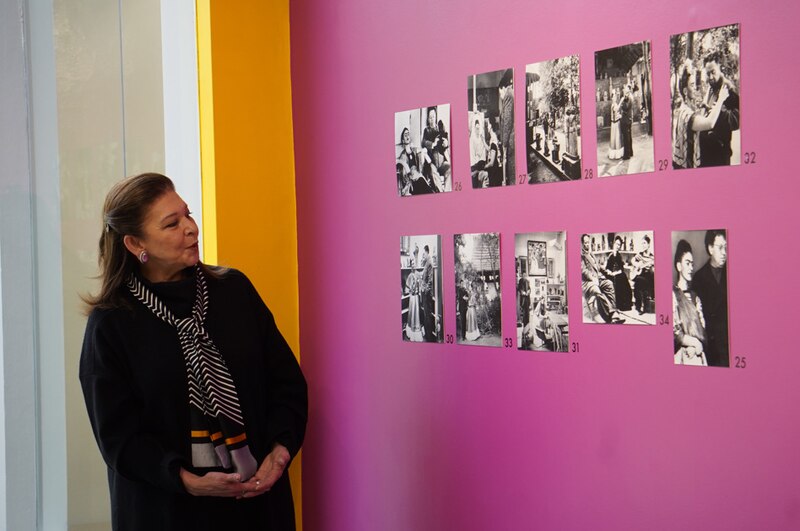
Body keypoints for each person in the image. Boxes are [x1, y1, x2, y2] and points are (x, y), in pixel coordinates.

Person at [79, 173, 308, 530]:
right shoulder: (111, 323)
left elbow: (286, 384)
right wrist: (185, 479)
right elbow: (118, 438)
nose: (191, 228)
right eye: (172, 224)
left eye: (188, 214)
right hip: (165, 512)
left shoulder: (235, 291)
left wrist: (280, 453)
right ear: (135, 242)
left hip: (257, 506)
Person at [672, 60, 731, 169]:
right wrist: (721, 99)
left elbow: (699, 120)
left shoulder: (682, 109)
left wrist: (706, 104)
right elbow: (709, 123)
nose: (695, 88)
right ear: (685, 91)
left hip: (679, 163)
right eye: (692, 85)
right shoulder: (687, 114)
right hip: (686, 167)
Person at [691, 230, 729, 367]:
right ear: (710, 248)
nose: (724, 252)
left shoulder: (733, 272)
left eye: (726, 247)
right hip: (711, 346)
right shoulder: (699, 278)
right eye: (720, 248)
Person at [699, 52, 740, 167]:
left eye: (713, 72)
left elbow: (740, 117)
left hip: (720, 153)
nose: (711, 77)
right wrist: (707, 108)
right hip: (707, 150)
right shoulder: (711, 87)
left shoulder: (728, 89)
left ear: (720, 68)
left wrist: (722, 112)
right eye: (708, 74)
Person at [672, 239, 708, 366]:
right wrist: (694, 343)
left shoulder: (695, 297)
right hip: (680, 356)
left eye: (692, 264)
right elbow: (675, 333)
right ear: (679, 266)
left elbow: (702, 328)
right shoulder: (673, 295)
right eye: (687, 263)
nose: (691, 268)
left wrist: (697, 346)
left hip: (698, 355)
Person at [581, 234, 625, 324]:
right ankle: (609, 316)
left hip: (597, 279)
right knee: (597, 290)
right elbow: (583, 271)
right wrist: (593, 278)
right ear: (582, 244)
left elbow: (598, 266)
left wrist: (606, 271)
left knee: (609, 283)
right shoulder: (581, 255)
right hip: (587, 282)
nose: (587, 244)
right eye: (585, 243)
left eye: (588, 242)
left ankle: (613, 312)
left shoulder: (592, 254)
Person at [397, 127, 434, 195]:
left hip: (419, 176)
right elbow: (404, 174)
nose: (407, 136)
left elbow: (422, 155)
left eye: (408, 134)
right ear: (403, 140)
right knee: (422, 184)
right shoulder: (403, 155)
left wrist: (423, 151)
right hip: (412, 181)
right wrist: (411, 178)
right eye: (405, 135)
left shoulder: (414, 150)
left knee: (423, 183)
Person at [605, 236, 633, 311]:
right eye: (617, 244)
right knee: (619, 280)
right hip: (612, 275)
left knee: (624, 281)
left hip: (618, 274)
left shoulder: (619, 255)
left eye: (619, 245)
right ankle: (619, 304)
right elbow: (607, 268)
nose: (617, 246)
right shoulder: (610, 256)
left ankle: (625, 304)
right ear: (613, 244)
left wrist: (617, 272)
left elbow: (621, 268)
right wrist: (610, 272)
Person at [631, 234, 655, 314]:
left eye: (644, 243)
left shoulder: (652, 257)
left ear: (648, 244)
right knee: (638, 281)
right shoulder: (640, 254)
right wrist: (637, 265)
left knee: (640, 281)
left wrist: (650, 265)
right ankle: (640, 306)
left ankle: (640, 306)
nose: (643, 245)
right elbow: (632, 260)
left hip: (648, 277)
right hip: (640, 275)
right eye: (642, 243)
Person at [419, 245, 437, 342]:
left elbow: (430, 280)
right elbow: (424, 275)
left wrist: (425, 291)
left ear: (426, 252)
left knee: (427, 315)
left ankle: (429, 338)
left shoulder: (429, 262)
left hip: (426, 294)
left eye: (424, 253)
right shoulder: (427, 262)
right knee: (426, 315)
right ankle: (427, 335)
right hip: (424, 291)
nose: (423, 255)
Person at [404, 255, 423, 342]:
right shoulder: (410, 275)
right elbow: (407, 288)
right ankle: (411, 331)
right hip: (412, 297)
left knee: (417, 313)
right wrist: (410, 290)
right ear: (410, 266)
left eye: (414, 264)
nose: (413, 266)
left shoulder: (417, 274)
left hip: (416, 297)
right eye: (412, 264)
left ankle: (417, 331)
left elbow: (422, 275)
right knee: (412, 312)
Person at [469, 119, 489, 188]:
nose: (477, 130)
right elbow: (473, 153)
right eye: (476, 128)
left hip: (481, 163)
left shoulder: (481, 138)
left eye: (478, 128)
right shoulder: (472, 139)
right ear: (474, 128)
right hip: (474, 164)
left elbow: (486, 149)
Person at [608, 89, 623, 160]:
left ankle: (616, 153)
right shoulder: (614, 104)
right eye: (613, 97)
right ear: (612, 98)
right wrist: (621, 101)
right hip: (614, 124)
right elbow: (616, 109)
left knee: (617, 138)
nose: (615, 98)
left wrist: (619, 115)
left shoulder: (614, 104)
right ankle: (615, 154)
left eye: (615, 97)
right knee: (615, 138)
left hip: (615, 122)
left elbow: (616, 113)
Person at [620, 84, 634, 160]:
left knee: (626, 137)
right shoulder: (629, 96)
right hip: (628, 119)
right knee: (629, 137)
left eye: (625, 88)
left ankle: (627, 155)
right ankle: (630, 152)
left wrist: (622, 104)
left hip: (626, 120)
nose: (624, 89)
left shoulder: (629, 97)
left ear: (628, 89)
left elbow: (626, 107)